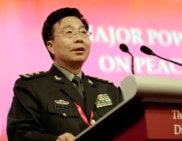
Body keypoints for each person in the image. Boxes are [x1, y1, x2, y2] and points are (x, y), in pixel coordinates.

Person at [7, 7, 123, 141]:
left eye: (83, 32)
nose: (79, 38)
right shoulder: (32, 87)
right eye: (69, 32)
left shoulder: (108, 90)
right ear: (51, 46)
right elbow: (19, 134)